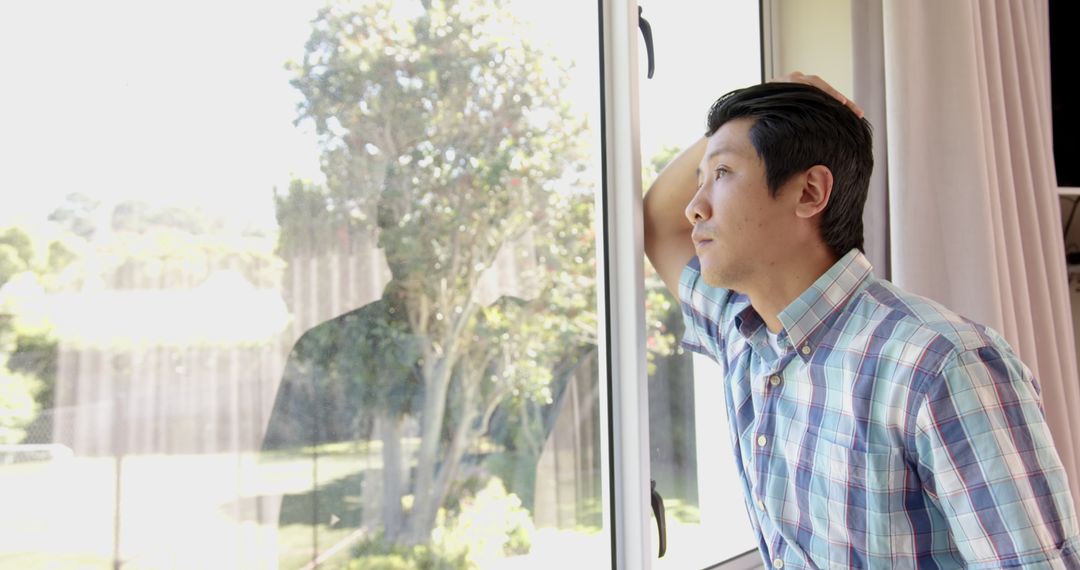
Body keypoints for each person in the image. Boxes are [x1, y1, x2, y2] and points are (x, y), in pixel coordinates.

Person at [643, 73, 1080, 568]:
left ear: (810, 192)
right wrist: (766, 104)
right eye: (700, 180)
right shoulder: (746, 335)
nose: (695, 207)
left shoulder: (943, 366)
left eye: (722, 175)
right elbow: (658, 222)